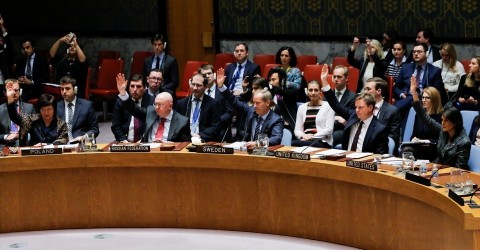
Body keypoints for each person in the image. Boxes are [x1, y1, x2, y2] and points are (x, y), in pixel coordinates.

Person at [320, 64, 389, 154]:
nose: (356, 110)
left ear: (370, 108)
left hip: (364, 164)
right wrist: (324, 81)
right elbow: (335, 104)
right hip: (345, 159)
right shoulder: (353, 116)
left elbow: (380, 156)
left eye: (360, 107)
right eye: (356, 107)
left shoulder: (380, 129)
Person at [410, 74, 471, 170]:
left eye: (446, 120)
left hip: (453, 175)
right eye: (442, 120)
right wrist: (414, 92)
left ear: (455, 122)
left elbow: (459, 169)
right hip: (438, 169)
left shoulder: (464, 142)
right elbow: (426, 118)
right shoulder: (444, 131)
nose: (442, 123)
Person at [216, 68, 284, 146]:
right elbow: (235, 101)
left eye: (258, 103)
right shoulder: (251, 111)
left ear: (267, 103)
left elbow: (276, 138)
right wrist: (221, 87)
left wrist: (257, 143)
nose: (254, 106)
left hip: (263, 153)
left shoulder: (276, 120)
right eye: (254, 102)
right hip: (246, 150)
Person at [116, 73, 190, 142]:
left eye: (160, 105)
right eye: (155, 104)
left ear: (170, 106)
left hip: (168, 153)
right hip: (147, 152)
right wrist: (123, 92)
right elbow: (133, 109)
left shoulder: (182, 122)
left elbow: (185, 145)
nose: (156, 107)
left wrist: (169, 144)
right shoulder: (151, 112)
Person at [393, 42, 447, 117]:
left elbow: (438, 91)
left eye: (419, 52)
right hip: (406, 98)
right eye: (414, 52)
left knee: (412, 98)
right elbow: (396, 87)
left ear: (427, 54)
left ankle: (392, 112)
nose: (415, 54)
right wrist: (401, 94)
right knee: (410, 99)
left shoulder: (434, 71)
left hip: (424, 99)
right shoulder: (405, 68)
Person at [5, 82, 67, 146]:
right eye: (43, 109)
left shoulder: (61, 124)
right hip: (33, 152)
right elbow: (15, 118)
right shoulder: (32, 120)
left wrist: (47, 145)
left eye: (49, 109)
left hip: (53, 154)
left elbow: (63, 141)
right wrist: (10, 99)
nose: (46, 113)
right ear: (39, 110)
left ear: (54, 109)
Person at [175, 73, 220, 142]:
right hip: (185, 140)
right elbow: (177, 124)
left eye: (198, 85)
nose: (195, 88)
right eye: (193, 84)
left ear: (205, 87)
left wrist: (200, 135)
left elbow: (215, 126)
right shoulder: (181, 104)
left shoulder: (213, 103)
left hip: (204, 140)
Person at [401, 87, 443, 161]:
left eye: (427, 98)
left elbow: (443, 139)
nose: (424, 100)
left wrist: (428, 141)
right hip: (419, 147)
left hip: (433, 149)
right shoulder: (419, 115)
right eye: (423, 97)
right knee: (406, 149)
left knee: (408, 150)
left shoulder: (441, 116)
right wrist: (414, 139)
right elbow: (414, 134)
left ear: (434, 99)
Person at [112, 74, 153, 143]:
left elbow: (152, 125)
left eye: (138, 86)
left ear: (145, 88)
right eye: (132, 86)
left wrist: (143, 139)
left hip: (145, 142)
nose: (135, 89)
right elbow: (115, 126)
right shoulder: (121, 101)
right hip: (125, 141)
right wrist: (124, 140)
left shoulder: (151, 101)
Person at [56, 76, 99, 143]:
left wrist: (84, 137)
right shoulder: (56, 106)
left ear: (75, 89)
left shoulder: (87, 105)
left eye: (67, 89)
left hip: (81, 142)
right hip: (62, 144)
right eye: (62, 89)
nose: (64, 92)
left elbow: (95, 129)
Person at [292, 80, 334, 148]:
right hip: (305, 140)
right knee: (293, 143)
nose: (313, 93)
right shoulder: (301, 107)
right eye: (310, 90)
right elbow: (297, 130)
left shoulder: (328, 106)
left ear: (320, 91)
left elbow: (329, 130)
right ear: (307, 91)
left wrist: (313, 137)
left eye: (316, 90)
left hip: (321, 141)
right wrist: (303, 135)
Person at [198, 64, 234, 142]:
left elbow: (229, 112)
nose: (207, 76)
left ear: (214, 75)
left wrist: (216, 122)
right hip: (202, 130)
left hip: (220, 129)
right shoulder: (198, 92)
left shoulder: (223, 91)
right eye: (204, 75)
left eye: (209, 73)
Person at [49, 33, 88, 98]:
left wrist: (76, 44)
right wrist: (60, 40)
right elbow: (51, 54)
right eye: (70, 46)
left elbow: (83, 60)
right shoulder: (62, 60)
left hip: (75, 90)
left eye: (74, 46)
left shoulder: (80, 61)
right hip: (60, 88)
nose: (72, 47)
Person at [0, 79, 35, 146]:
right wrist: (6, 137)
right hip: (5, 146)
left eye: (16, 90)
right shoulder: (0, 109)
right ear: (5, 93)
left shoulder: (29, 108)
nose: (14, 93)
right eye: (11, 90)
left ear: (20, 91)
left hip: (23, 144)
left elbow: (34, 132)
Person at [330, 65, 356, 147]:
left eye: (339, 77)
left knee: (331, 137)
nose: (336, 79)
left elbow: (348, 119)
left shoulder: (353, 97)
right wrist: (336, 118)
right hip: (326, 128)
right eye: (334, 77)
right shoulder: (327, 96)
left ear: (346, 78)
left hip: (341, 131)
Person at [267, 67, 297, 133]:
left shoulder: (291, 92)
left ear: (282, 80)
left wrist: (274, 89)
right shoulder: (269, 94)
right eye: (269, 80)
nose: (270, 83)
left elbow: (283, 92)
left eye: (273, 80)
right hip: (271, 125)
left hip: (288, 126)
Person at [0, 15, 15, 86]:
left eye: (1, 38)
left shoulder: (5, 53)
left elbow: (9, 44)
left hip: (6, 85)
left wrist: (2, 26)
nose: (0, 39)